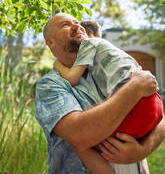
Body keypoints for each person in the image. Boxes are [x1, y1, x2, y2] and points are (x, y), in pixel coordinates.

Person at [35, 13, 165, 174]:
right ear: (50, 42)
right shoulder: (50, 85)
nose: (77, 25)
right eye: (65, 25)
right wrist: (135, 88)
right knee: (84, 145)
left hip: (137, 155)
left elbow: (161, 121)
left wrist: (142, 150)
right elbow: (80, 136)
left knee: (91, 146)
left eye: (77, 22)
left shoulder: (105, 67)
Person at [54, 19, 163, 138]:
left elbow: (71, 78)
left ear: (87, 33)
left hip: (135, 105)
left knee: (85, 135)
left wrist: (57, 65)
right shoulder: (113, 53)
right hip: (154, 102)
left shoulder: (89, 42)